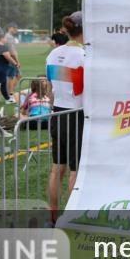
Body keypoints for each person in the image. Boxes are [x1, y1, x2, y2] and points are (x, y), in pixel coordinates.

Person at [46, 12, 85, 225]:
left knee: (56, 168)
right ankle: (72, 218)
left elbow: (51, 90)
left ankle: (53, 215)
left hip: (57, 113)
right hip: (75, 114)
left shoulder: (53, 54)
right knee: (75, 170)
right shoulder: (84, 56)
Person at [0, 33, 19, 101]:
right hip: (2, 68)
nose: (6, 40)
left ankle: (8, 99)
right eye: (5, 38)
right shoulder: (3, 48)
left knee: (2, 84)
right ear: (1, 39)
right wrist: (15, 63)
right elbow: (8, 57)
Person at [5, 23, 22, 95]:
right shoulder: (9, 37)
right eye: (15, 28)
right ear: (10, 28)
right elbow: (11, 50)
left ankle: (10, 92)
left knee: (18, 75)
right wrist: (17, 61)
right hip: (11, 60)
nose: (16, 30)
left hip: (12, 59)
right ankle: (10, 93)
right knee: (11, 77)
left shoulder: (9, 36)